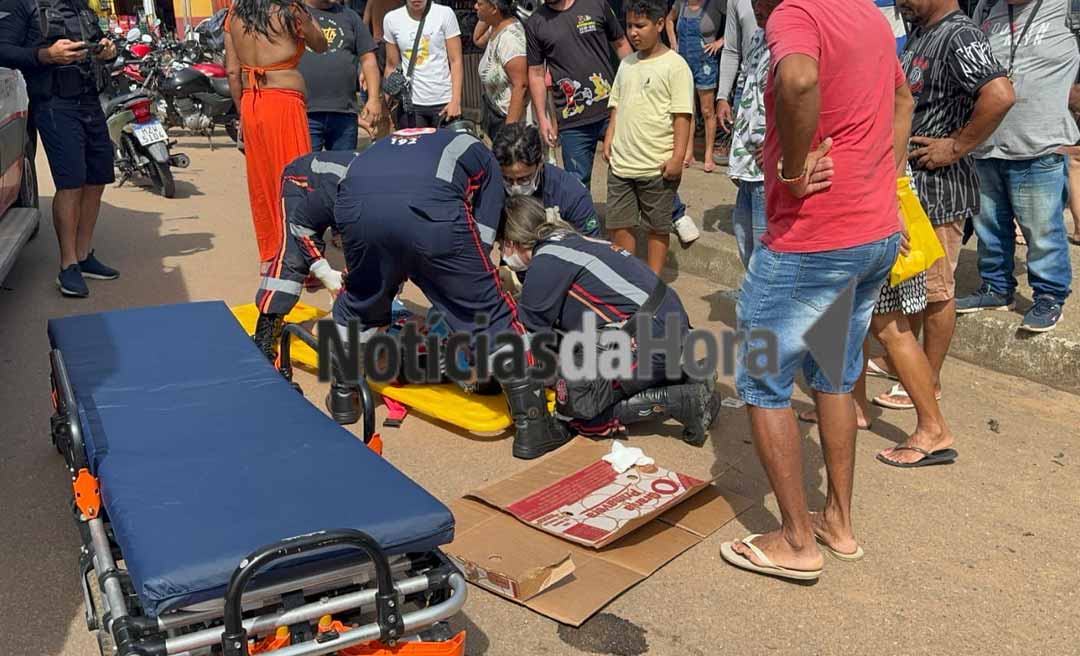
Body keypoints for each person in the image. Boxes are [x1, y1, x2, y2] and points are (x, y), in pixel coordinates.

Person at [721, 0, 911, 581]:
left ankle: (796, 539)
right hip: (873, 229)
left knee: (762, 377)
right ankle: (838, 524)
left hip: (815, 238)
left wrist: (795, 170)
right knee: (834, 372)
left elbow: (799, 79)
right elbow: (903, 100)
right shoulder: (868, 16)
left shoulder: (793, 13)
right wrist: (882, 177)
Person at [331, 125, 572, 460]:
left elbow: (363, 208)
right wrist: (473, 276)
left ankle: (344, 396)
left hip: (355, 209)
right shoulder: (481, 155)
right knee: (489, 314)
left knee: (358, 301)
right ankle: (533, 427)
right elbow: (484, 230)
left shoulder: (387, 144)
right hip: (430, 213)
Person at [865, 0, 1014, 431]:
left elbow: (1000, 94)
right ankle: (906, 367)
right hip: (911, 188)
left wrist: (956, 145)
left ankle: (929, 381)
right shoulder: (921, 30)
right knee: (912, 283)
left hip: (939, 189)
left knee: (935, 290)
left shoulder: (959, 34)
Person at [500, 195, 721, 443]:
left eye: (501, 246)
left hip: (649, 337)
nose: (501, 253)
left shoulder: (545, 263)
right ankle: (685, 374)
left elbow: (529, 338)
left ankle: (683, 402)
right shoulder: (570, 240)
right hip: (668, 322)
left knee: (574, 409)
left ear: (512, 242)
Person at [525, 0, 701, 245]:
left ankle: (676, 214)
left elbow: (621, 44)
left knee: (648, 158)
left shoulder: (595, 4)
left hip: (614, 107)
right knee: (577, 180)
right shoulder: (536, 23)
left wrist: (639, 85)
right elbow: (535, 73)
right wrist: (543, 118)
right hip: (572, 118)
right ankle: (589, 236)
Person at [959, 0, 1079, 332]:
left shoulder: (1069, 6)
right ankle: (996, 288)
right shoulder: (986, 8)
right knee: (988, 228)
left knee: (1041, 230)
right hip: (986, 143)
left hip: (1039, 144)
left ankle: (1049, 296)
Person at [0, 0, 119, 298]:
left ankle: (83, 254)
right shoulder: (22, 4)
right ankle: (68, 266)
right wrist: (46, 55)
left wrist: (107, 50)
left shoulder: (82, 7)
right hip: (54, 104)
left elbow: (97, 45)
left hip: (90, 100)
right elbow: (3, 49)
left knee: (98, 178)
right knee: (71, 183)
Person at [225, 0, 328, 268]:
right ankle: (300, 260)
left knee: (262, 182)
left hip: (251, 104)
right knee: (296, 181)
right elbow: (320, 44)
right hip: (284, 103)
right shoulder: (290, 10)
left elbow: (232, 72)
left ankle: (270, 255)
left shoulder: (234, 14)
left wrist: (242, 117)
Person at [602, 0, 693, 276]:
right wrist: (609, 137)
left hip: (657, 166)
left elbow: (682, 116)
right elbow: (617, 105)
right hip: (622, 164)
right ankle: (627, 279)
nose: (633, 32)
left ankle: (651, 283)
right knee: (619, 223)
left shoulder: (675, 66)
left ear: (660, 23)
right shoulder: (627, 64)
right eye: (629, 25)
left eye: (640, 25)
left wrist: (678, 157)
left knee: (657, 226)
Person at [251, 150, 358, 361]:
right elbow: (300, 225)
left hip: (343, 192)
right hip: (302, 183)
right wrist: (324, 272)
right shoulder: (342, 189)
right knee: (293, 257)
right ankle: (267, 329)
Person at [298, 0, 382, 150]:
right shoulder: (294, 13)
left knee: (342, 170)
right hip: (304, 112)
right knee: (306, 170)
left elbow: (368, 59)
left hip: (344, 113)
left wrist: (374, 99)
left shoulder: (350, 17)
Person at [493, 123, 601, 236]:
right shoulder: (489, 188)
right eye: (508, 179)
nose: (515, 187)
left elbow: (592, 244)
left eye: (524, 179)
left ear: (540, 164)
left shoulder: (572, 195)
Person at [382, 0, 464, 128]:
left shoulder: (444, 14)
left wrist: (456, 100)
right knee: (415, 148)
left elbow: (456, 61)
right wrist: (384, 104)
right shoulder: (391, 19)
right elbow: (391, 65)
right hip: (410, 104)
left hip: (443, 101)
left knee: (446, 147)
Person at [726, 18, 767, 268]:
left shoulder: (798, 40)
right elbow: (746, 88)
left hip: (769, 170)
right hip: (748, 164)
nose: (758, 9)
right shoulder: (758, 37)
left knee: (765, 254)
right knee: (746, 243)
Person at [666, 0, 724, 171]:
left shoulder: (715, 4)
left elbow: (735, 24)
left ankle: (708, 155)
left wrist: (721, 42)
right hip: (683, 63)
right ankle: (688, 152)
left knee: (707, 110)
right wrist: (673, 44)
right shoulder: (680, 4)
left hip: (705, 62)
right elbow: (669, 20)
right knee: (687, 109)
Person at [475, 0, 528, 142]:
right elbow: (478, 39)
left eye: (479, 4)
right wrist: (487, 17)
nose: (475, 7)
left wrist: (508, 132)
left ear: (494, 8)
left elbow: (521, 85)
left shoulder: (511, 40)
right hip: (495, 114)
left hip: (509, 119)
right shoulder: (495, 27)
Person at [712, 0, 756, 167]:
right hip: (745, 89)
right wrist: (722, 96)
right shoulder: (736, 1)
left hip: (780, 87)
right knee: (743, 167)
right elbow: (731, 50)